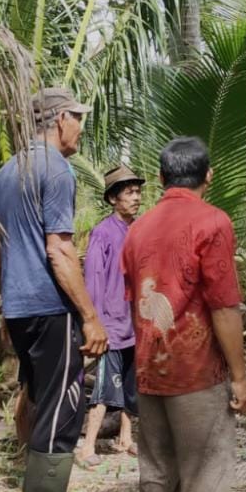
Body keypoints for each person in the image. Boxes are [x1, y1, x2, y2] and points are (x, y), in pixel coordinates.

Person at [121, 137, 246, 492]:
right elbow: (223, 306)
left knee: (157, 470)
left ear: (160, 178)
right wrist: (239, 376)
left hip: (148, 367)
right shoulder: (212, 221)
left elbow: (131, 295)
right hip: (196, 371)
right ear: (209, 176)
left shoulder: (138, 228)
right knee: (207, 474)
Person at [0, 87, 108, 492]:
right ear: (61, 119)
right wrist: (91, 316)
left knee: (40, 397)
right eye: (78, 118)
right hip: (49, 307)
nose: (81, 127)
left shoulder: (6, 171)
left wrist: (6, 299)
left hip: (19, 306)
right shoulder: (56, 169)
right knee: (64, 407)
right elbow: (59, 249)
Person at [77, 165, 145, 468]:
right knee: (104, 389)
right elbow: (93, 279)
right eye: (129, 193)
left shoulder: (138, 230)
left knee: (133, 386)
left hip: (136, 323)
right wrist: (94, 322)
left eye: (138, 191)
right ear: (112, 199)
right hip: (111, 325)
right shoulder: (103, 233)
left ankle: (125, 440)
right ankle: (87, 446)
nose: (136, 197)